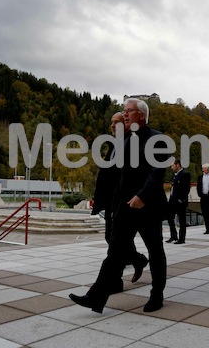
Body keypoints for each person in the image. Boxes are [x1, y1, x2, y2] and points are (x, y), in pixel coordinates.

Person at [69, 98, 168, 313]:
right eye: (124, 111)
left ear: (141, 115)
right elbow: (119, 179)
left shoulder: (158, 139)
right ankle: (96, 297)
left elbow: (156, 173)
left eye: (128, 111)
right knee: (115, 253)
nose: (124, 115)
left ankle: (157, 294)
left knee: (155, 251)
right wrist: (114, 208)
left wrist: (142, 195)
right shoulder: (123, 141)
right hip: (124, 207)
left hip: (148, 206)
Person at [90, 112, 148, 287]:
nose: (113, 125)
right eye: (111, 122)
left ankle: (115, 280)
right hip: (111, 199)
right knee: (115, 239)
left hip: (123, 201)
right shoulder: (115, 144)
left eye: (117, 122)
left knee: (115, 239)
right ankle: (137, 260)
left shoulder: (130, 143)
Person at [169, 158, 191, 244]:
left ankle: (181, 238)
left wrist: (180, 199)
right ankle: (173, 235)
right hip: (172, 201)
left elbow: (186, 189)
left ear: (177, 165)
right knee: (170, 217)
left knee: (182, 220)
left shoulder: (185, 174)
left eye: (173, 165)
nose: (172, 167)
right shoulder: (175, 175)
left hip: (179, 201)